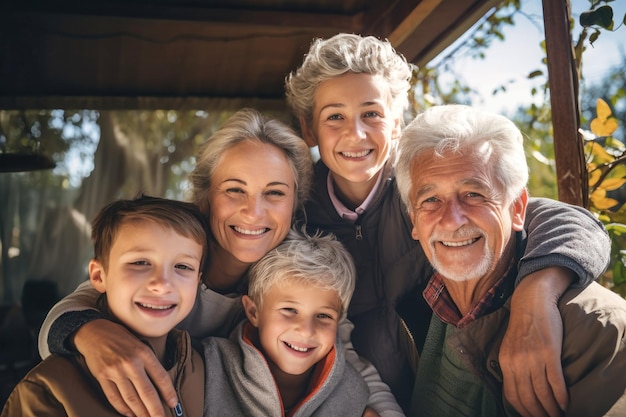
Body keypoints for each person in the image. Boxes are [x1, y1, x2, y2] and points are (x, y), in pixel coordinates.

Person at [284, 33, 611, 414]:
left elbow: (566, 221)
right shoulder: (297, 213)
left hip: (444, 390)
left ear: (396, 123)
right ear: (310, 129)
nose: (355, 133)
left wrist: (534, 297)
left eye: (371, 113)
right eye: (335, 116)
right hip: (355, 401)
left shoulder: (427, 189)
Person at [37, 108, 399, 417]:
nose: (253, 212)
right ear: (204, 196)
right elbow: (75, 308)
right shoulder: (173, 252)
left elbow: (342, 353)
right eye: (234, 189)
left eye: (274, 193)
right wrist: (90, 333)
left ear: (294, 204)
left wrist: (382, 411)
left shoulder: (294, 268)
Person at [394, 104, 626, 417]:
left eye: (474, 194)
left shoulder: (595, 329)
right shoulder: (416, 310)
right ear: (414, 222)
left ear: (517, 209)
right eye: (431, 199)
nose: (451, 220)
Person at [2, 195, 208, 417]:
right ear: (99, 276)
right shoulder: (48, 389)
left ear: (198, 281)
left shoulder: (195, 365)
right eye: (140, 262)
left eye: (183, 266)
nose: (162, 284)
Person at [202, 228, 370, 416]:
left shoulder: (353, 393)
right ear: (253, 312)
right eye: (290, 310)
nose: (306, 331)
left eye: (323, 316)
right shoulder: (207, 367)